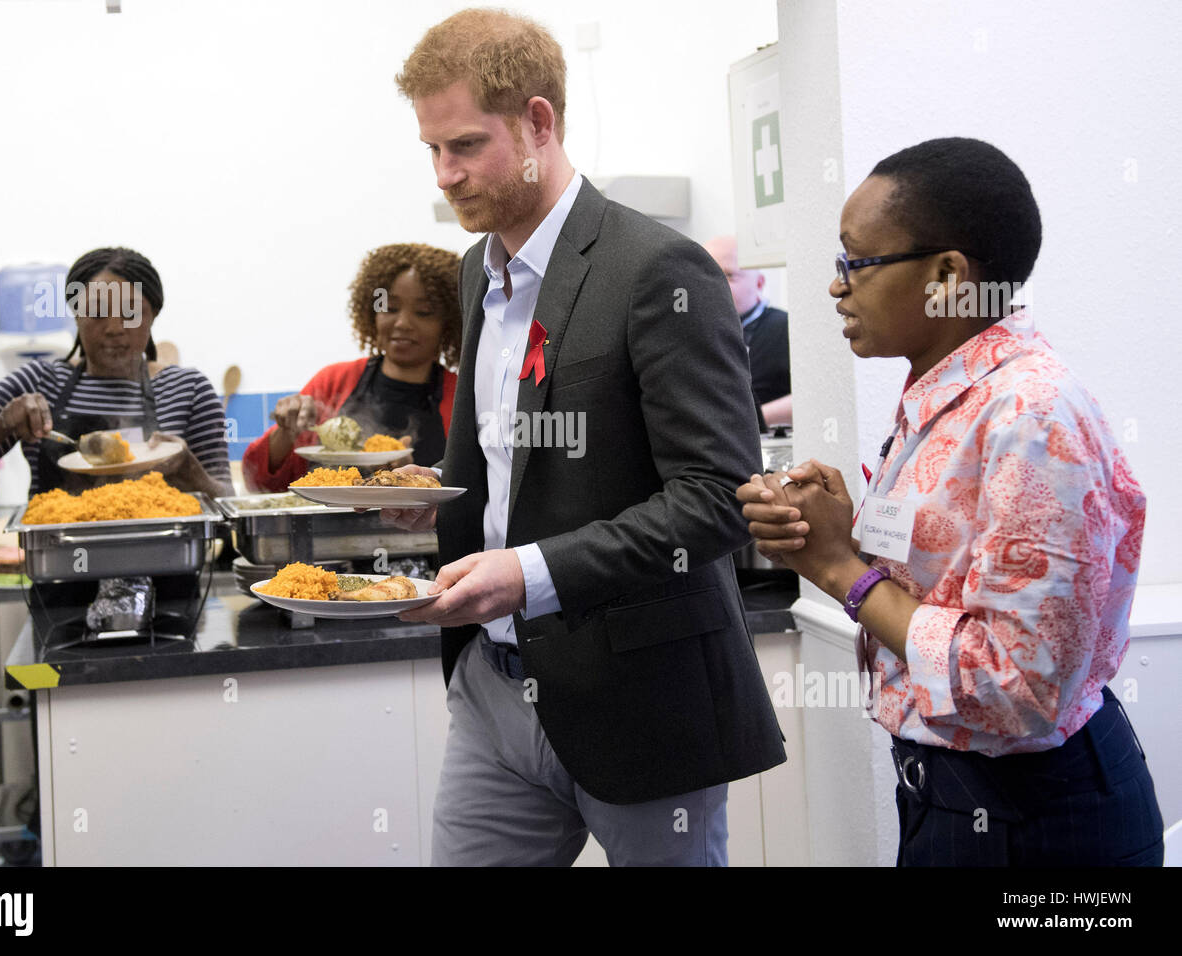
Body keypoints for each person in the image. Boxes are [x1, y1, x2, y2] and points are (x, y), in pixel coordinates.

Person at [388, 8, 784, 866]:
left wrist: (527, 575)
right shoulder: (473, 270)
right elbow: (517, 457)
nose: (445, 175)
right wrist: (442, 496)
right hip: (493, 688)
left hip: (639, 694)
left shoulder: (656, 270)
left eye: (463, 145)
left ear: (539, 121)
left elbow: (717, 498)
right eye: (431, 152)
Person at [738, 137, 1163, 866]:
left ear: (946, 275)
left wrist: (841, 569)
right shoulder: (949, 398)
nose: (837, 287)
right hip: (956, 801)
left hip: (1034, 823)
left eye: (856, 262)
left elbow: (1021, 685)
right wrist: (837, 534)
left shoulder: (1029, 417)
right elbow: (952, 589)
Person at [0, 247, 232, 499]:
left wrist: (192, 474)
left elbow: (228, 503)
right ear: (75, 315)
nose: (114, 328)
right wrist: (2, 424)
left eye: (131, 312)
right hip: (62, 568)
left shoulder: (188, 389)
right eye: (96, 312)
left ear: (153, 316)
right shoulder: (37, 383)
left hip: (167, 570)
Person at [242, 243, 462, 492]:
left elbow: (476, 484)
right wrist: (285, 432)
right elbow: (259, 482)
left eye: (424, 312)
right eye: (389, 308)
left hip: (421, 532)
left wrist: (414, 478)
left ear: (449, 321)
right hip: (327, 529)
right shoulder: (333, 381)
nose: (403, 323)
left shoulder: (463, 395)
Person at [703, 235, 791, 427]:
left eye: (728, 275)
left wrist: (754, 419)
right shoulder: (691, 332)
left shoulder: (784, 328)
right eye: (707, 275)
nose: (715, 285)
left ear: (759, 283)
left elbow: (813, 396)